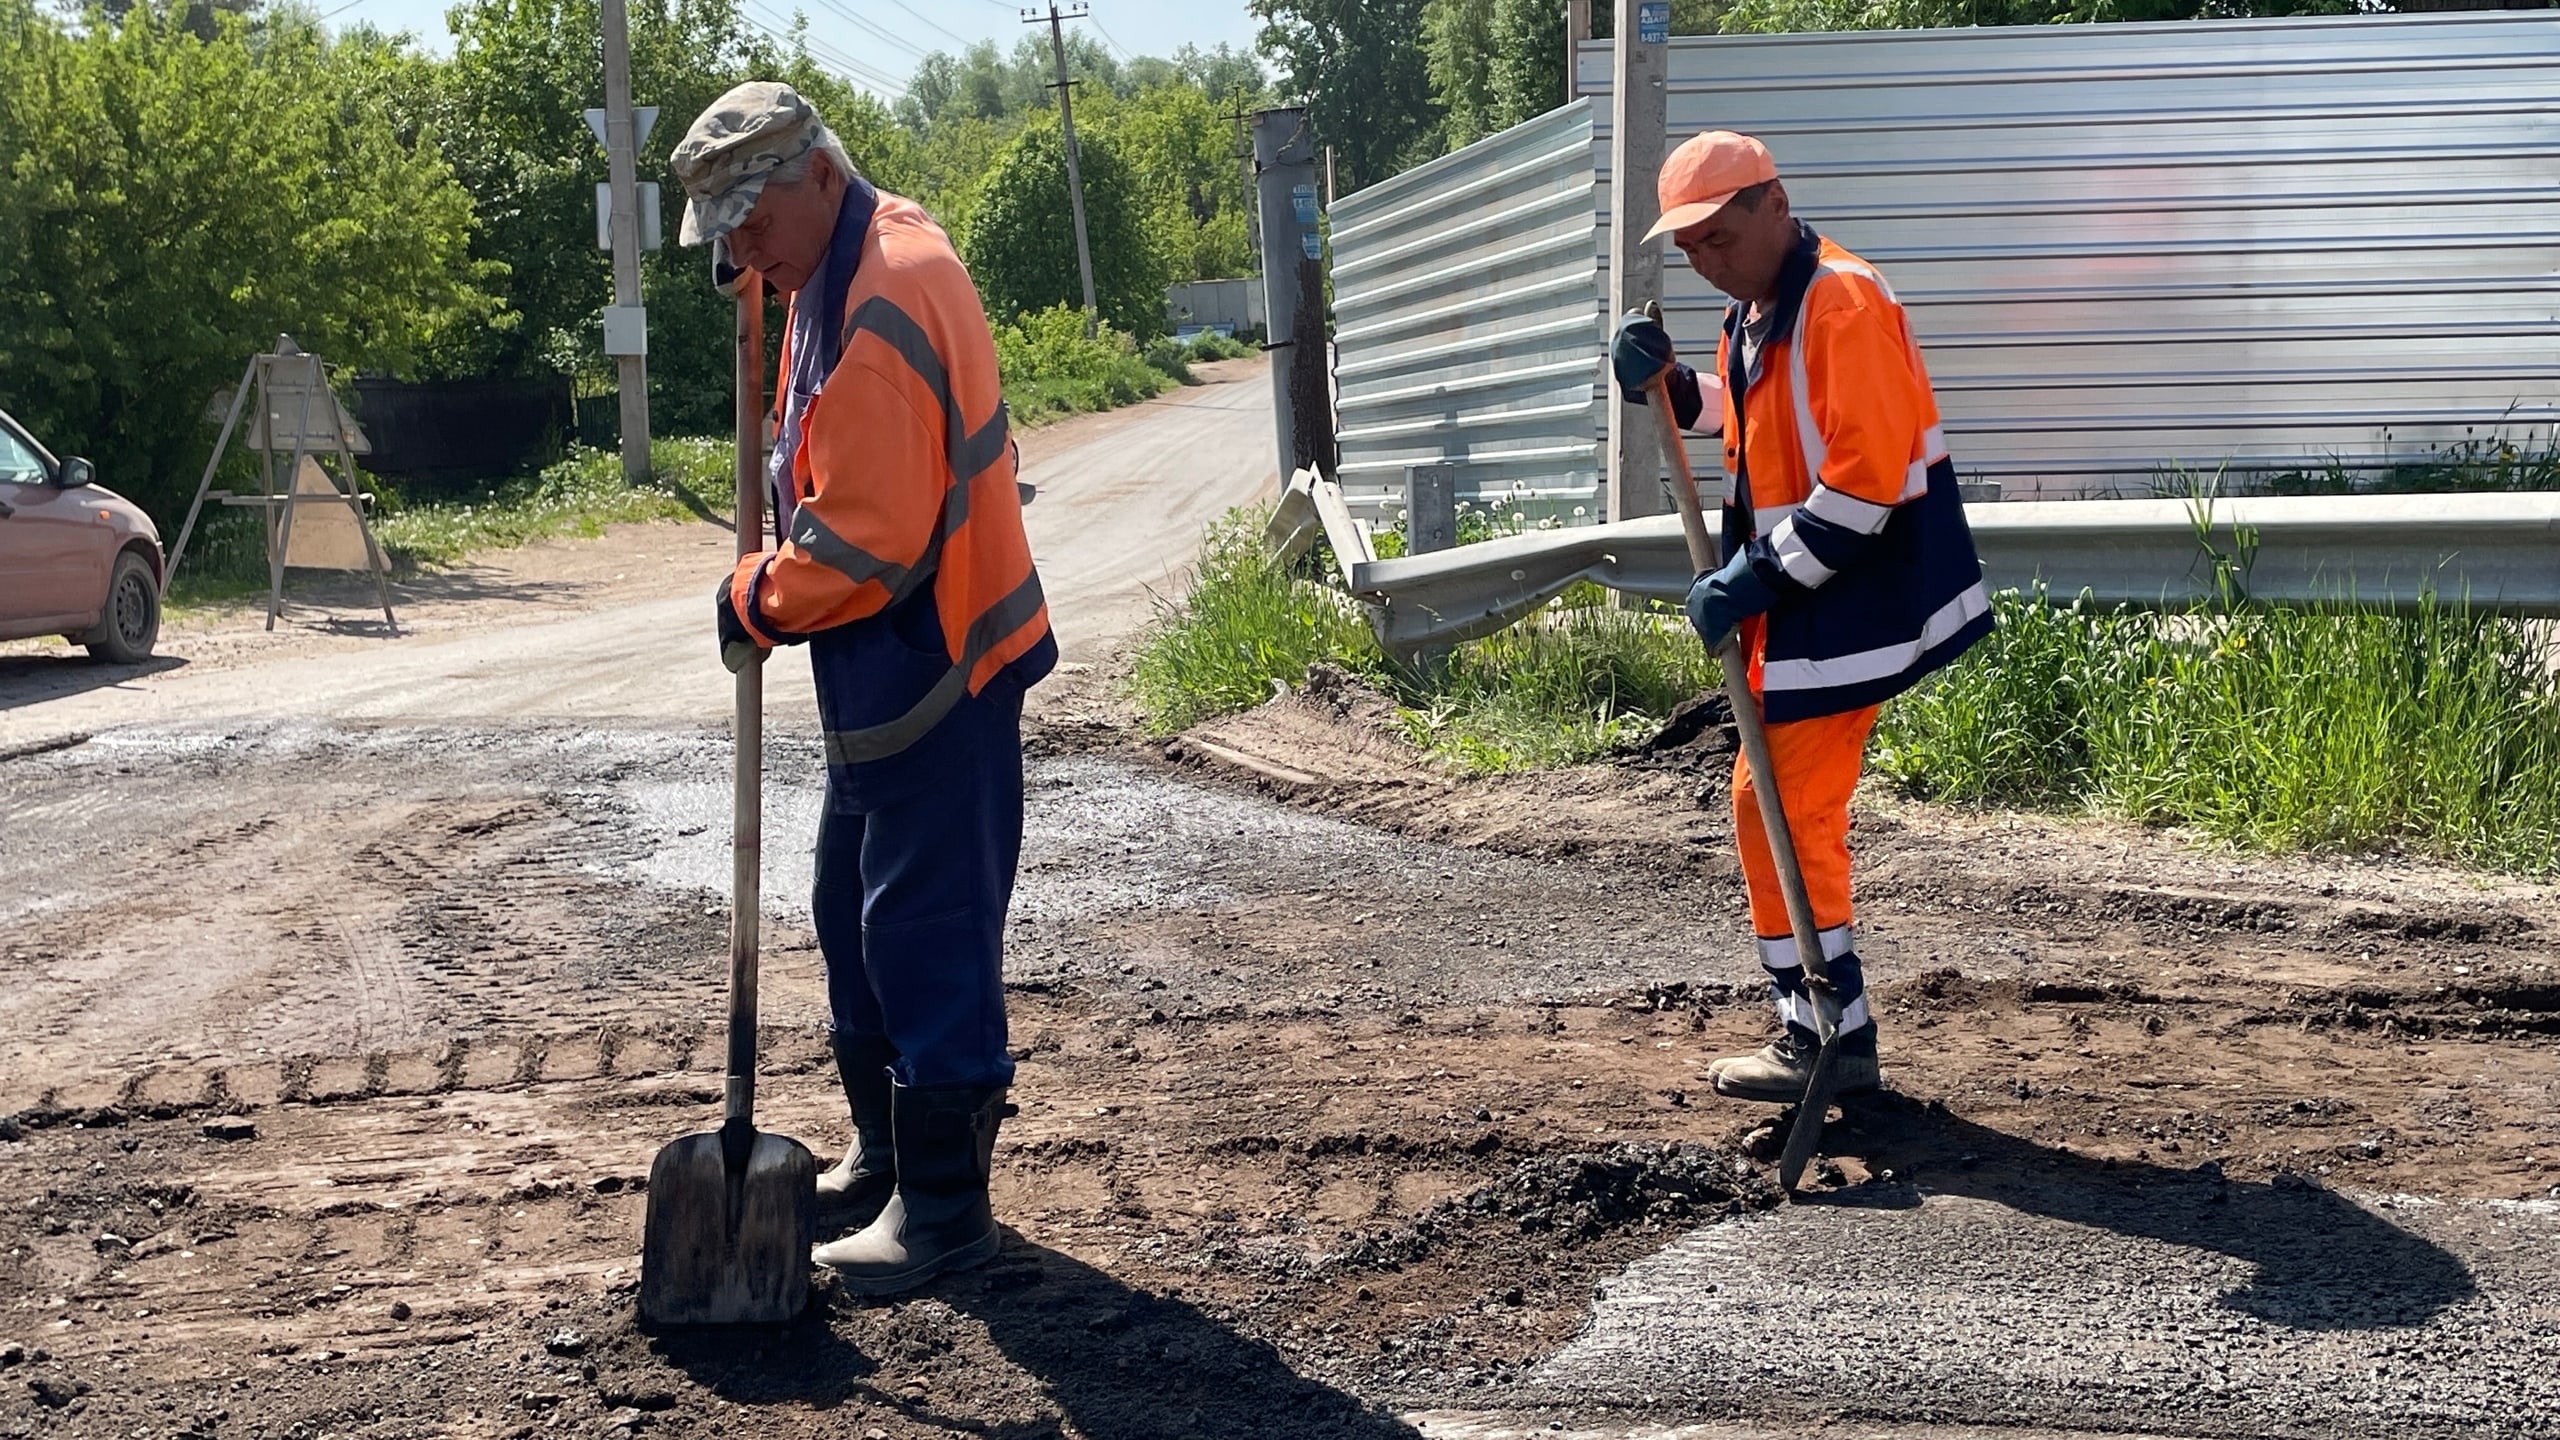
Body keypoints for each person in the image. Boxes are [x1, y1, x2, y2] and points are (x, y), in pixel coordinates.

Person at [671, 81, 1056, 1293]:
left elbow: (868, 543)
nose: (739, 251)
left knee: (921, 933)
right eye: (723, 232)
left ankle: (945, 1212)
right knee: (851, 914)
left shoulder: (882, 295)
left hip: (937, 662)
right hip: (891, 674)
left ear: (819, 177)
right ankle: (887, 1161)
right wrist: (767, 282)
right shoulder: (830, 268)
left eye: (749, 221)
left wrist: (756, 599)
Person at [1609, 131, 1991, 1102]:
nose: (1704, 261)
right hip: (1803, 601)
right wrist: (1667, 383)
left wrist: (1747, 581)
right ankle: (1820, 1026)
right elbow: (1740, 425)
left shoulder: (1840, 302)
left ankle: (1829, 1035)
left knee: (1779, 807)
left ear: (1772, 205)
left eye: (1717, 238)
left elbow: (1861, 485)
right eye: (1688, 249)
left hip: (1850, 598)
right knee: (1767, 804)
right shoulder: (1758, 311)